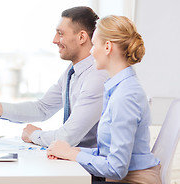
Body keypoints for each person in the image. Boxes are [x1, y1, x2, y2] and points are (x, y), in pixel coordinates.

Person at [46, 15, 161, 184]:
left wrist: (71, 154)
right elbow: (106, 154)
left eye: (94, 44)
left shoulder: (125, 96)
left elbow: (116, 168)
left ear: (107, 47)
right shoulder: (116, 88)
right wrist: (71, 150)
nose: (91, 51)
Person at [0, 6, 108, 148]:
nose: (54, 40)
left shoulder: (96, 76)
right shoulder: (72, 72)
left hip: (91, 165)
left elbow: (67, 138)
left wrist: (34, 135)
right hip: (74, 158)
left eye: (60, 34)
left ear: (81, 37)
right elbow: (42, 108)